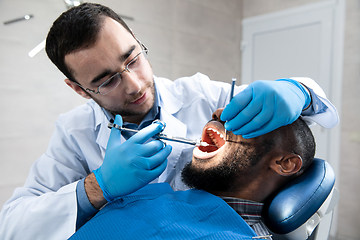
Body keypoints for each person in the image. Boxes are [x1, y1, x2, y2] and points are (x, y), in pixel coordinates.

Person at [0, 3, 338, 240]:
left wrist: (299, 91)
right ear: (79, 89)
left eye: (132, 59)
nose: (133, 85)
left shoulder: (200, 94)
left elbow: (288, 127)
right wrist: (96, 188)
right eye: (106, 81)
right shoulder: (74, 135)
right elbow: (12, 226)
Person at [69, 108, 316, 240]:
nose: (219, 113)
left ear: (285, 164)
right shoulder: (151, 193)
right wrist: (97, 187)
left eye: (250, 120)